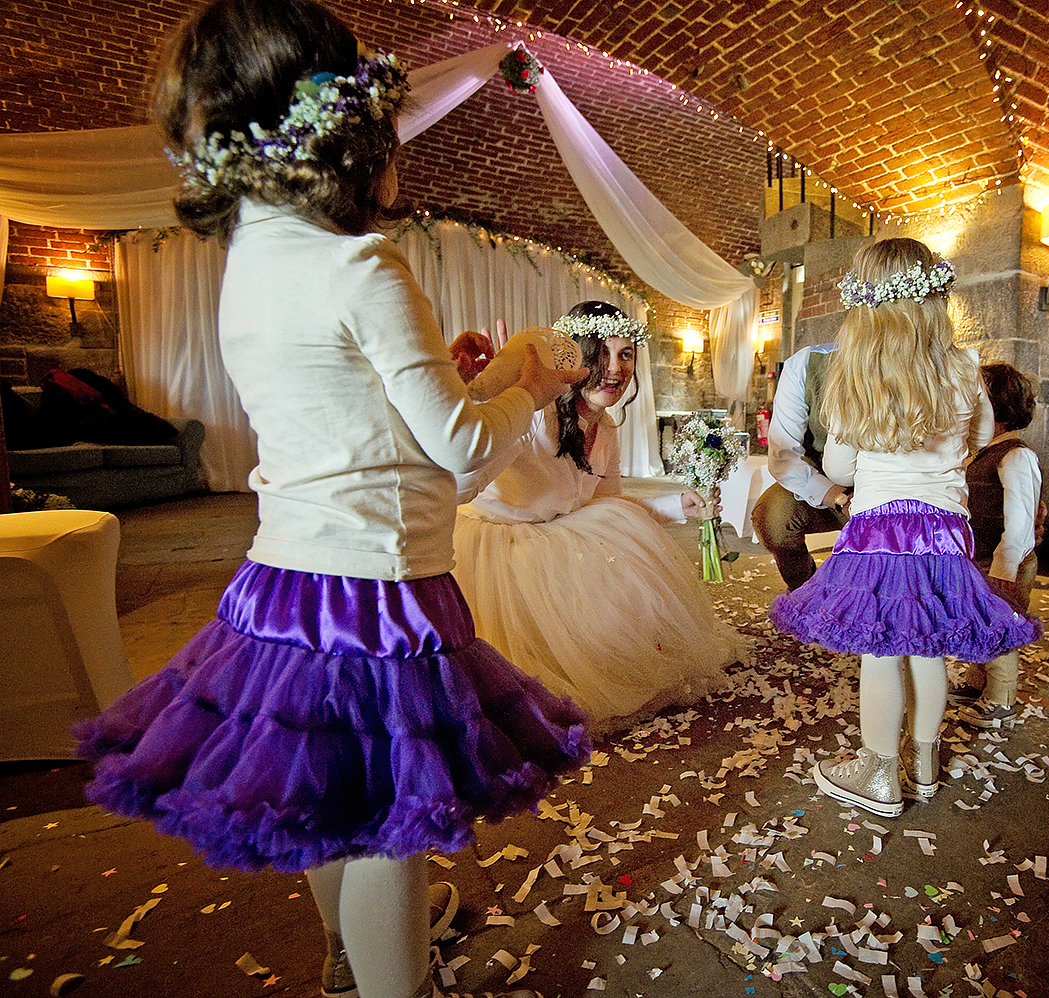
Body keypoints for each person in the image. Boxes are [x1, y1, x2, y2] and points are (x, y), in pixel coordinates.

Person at [71, 4, 589, 998]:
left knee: (318, 792)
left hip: (280, 586)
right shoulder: (364, 265)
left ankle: (349, 962)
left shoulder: (252, 264)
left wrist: (448, 373)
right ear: (348, 136)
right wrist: (529, 382)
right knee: (388, 830)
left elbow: (354, 422)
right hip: (379, 592)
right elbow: (460, 452)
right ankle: (398, 979)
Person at [769, 238, 1040, 817]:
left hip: (878, 534)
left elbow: (839, 467)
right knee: (928, 649)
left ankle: (878, 771)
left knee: (881, 651)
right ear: (936, 299)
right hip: (944, 531)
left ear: (865, 305)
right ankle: (924, 760)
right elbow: (978, 438)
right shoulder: (966, 366)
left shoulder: (855, 374)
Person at [451, 301, 743, 735]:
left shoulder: (605, 426)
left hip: (557, 534)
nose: (614, 368)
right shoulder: (533, 411)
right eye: (599, 352)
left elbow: (611, 507)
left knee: (629, 587)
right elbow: (460, 477)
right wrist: (493, 393)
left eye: (626, 354)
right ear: (572, 356)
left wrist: (674, 506)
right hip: (497, 542)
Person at [956, 362, 1045, 729]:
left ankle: (1001, 699)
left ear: (999, 413)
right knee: (978, 623)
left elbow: (1021, 520)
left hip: (1004, 561)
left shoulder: (1015, 456)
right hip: (979, 559)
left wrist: (1005, 569)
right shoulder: (982, 453)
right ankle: (979, 682)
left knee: (1000, 628)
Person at [752, 340, 852, 590]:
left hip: (899, 488)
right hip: (833, 486)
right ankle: (805, 591)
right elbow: (783, 455)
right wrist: (838, 498)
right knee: (773, 516)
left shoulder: (927, 361)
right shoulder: (808, 363)